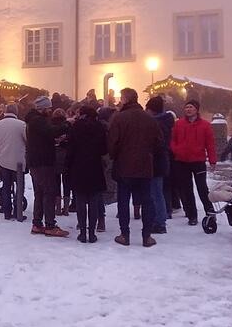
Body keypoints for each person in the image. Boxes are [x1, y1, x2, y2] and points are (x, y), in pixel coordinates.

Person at [108, 88, 162, 247]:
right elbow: (159, 142)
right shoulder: (149, 118)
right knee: (147, 200)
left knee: (123, 201)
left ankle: (125, 235)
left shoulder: (119, 118)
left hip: (124, 165)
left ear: (125, 99)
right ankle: (147, 236)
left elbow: (112, 143)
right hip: (145, 165)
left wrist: (116, 155)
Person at [26, 96, 69, 237]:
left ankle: (37, 223)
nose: (50, 111)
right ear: (42, 109)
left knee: (39, 193)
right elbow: (51, 131)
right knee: (49, 191)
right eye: (49, 109)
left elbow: (45, 135)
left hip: (36, 161)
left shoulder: (33, 120)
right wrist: (67, 124)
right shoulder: (38, 121)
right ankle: (50, 225)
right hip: (43, 162)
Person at [170, 100, 217, 226]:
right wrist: (176, 150)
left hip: (198, 161)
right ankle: (192, 216)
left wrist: (212, 160)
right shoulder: (179, 124)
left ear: (196, 109)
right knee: (187, 189)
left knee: (202, 188)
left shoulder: (205, 125)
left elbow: (210, 144)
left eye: (191, 107)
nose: (188, 109)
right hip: (182, 161)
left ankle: (210, 212)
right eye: (186, 107)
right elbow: (173, 140)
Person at [66, 106, 107, 243]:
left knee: (81, 201)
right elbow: (104, 148)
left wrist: (68, 165)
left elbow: (70, 148)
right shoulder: (99, 127)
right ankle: (92, 233)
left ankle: (83, 232)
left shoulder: (76, 127)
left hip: (78, 166)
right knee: (94, 201)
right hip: (95, 166)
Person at [0, 104, 27, 221]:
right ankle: (18, 211)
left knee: (6, 187)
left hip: (3, 161)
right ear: (16, 112)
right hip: (19, 162)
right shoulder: (22, 125)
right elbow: (27, 141)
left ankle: (7, 212)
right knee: (19, 188)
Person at [146, 96, 174, 234]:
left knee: (155, 193)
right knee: (158, 192)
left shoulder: (156, 123)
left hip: (155, 162)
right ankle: (159, 220)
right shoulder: (166, 121)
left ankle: (159, 222)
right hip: (161, 161)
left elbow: (156, 144)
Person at [51, 108, 70, 215]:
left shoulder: (51, 125)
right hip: (66, 156)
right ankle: (66, 208)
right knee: (67, 182)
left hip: (54, 155)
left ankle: (57, 207)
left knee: (56, 182)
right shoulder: (67, 125)